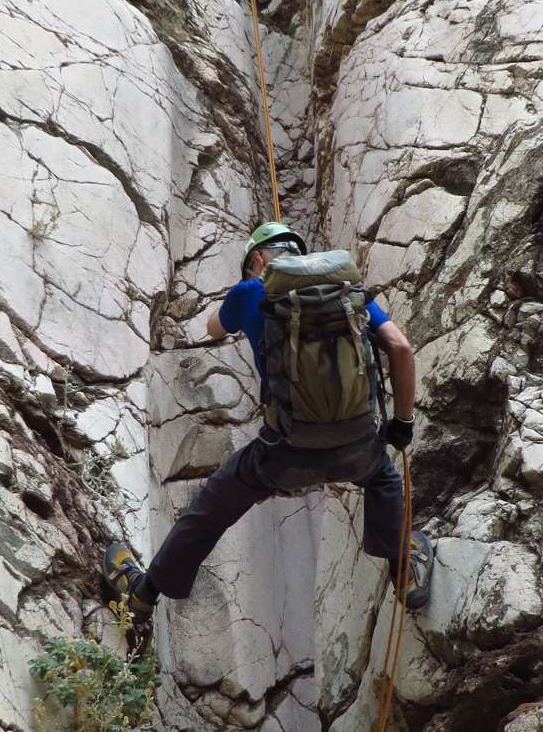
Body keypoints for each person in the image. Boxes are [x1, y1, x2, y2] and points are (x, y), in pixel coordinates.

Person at [103, 221, 433, 623]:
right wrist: (402, 423)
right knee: (383, 477)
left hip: (284, 453)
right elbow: (400, 347)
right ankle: (405, 572)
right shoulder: (346, 294)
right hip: (358, 446)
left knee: (211, 507)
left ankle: (143, 594)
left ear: (258, 258)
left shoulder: (249, 293)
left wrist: (246, 297)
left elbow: (212, 328)